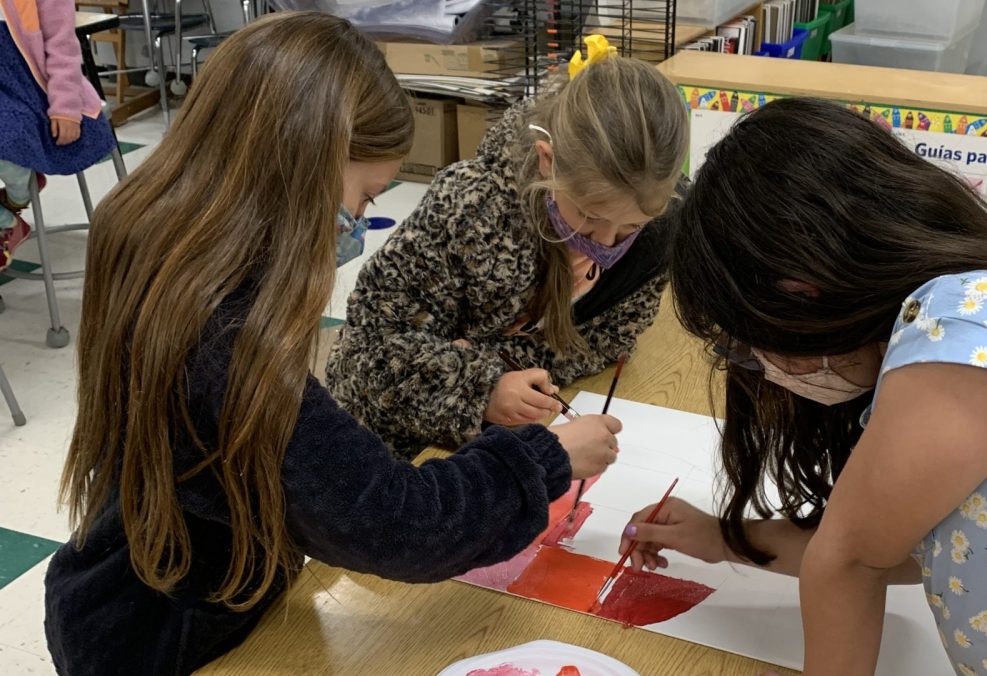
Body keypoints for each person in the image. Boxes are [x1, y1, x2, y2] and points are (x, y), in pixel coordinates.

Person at [44, 13, 621, 675]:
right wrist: (543, 459)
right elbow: (399, 524)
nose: (356, 226)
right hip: (168, 643)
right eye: (363, 197)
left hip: (144, 593)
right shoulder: (224, 336)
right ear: (300, 174)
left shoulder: (162, 242)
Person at [620, 97, 987, 675]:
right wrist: (725, 538)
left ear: (799, 289)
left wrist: (824, 558)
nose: (760, 369)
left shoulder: (961, 334)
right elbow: (895, 544)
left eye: (746, 346)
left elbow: (849, 563)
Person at [325, 37, 688, 455]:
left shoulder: (660, 230)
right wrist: (484, 388)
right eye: (589, 216)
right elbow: (365, 352)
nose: (604, 244)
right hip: (396, 457)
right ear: (547, 161)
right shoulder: (470, 210)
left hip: (501, 441)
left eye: (630, 227)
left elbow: (609, 339)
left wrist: (498, 363)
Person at [0, 0, 117, 270]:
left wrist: (65, 107)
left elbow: (61, 44)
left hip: (33, 90)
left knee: (9, 137)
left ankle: (18, 195)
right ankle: (7, 219)